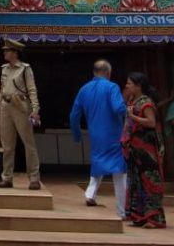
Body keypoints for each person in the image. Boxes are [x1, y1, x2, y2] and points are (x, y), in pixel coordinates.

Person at [70, 60, 127, 216]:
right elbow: (118, 108)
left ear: (94, 72)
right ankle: (122, 210)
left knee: (98, 162)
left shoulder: (84, 89)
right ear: (108, 73)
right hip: (114, 134)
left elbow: (74, 115)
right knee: (119, 172)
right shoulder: (112, 87)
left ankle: (90, 194)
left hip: (95, 134)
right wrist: (129, 109)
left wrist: (76, 134)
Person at [0, 38, 41, 190]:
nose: (4, 53)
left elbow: (32, 90)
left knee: (28, 143)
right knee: (7, 145)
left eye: (7, 51)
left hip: (20, 105)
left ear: (15, 53)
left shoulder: (25, 69)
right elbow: (2, 90)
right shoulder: (4, 68)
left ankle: (34, 178)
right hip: (6, 105)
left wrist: (35, 110)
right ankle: (7, 177)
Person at [122, 72, 166, 228]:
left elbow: (151, 122)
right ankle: (140, 216)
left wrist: (133, 117)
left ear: (138, 86)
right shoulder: (133, 101)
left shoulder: (145, 102)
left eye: (129, 84)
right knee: (137, 182)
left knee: (149, 182)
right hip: (136, 150)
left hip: (147, 151)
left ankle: (154, 218)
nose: (127, 86)